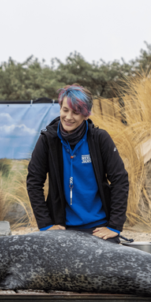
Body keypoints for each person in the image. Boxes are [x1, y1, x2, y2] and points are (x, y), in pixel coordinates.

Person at [26, 84, 129, 243]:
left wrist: (114, 226)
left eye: (76, 112)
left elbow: (120, 180)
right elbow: (34, 181)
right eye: (65, 110)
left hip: (98, 227)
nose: (68, 117)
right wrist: (46, 225)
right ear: (60, 109)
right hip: (61, 228)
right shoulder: (47, 140)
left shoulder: (100, 139)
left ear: (86, 115)